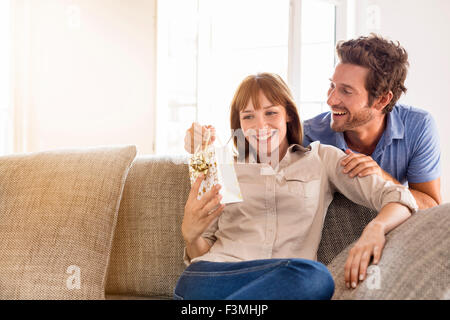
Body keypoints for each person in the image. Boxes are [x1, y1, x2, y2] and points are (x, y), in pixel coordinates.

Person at [175, 73, 418, 300]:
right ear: (238, 123)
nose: (260, 126)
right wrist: (190, 235)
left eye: (270, 113)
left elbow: (399, 197)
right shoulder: (226, 168)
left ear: (288, 114)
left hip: (289, 279)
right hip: (215, 276)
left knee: (315, 277)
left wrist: (375, 228)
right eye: (248, 116)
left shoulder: (321, 159)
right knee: (195, 281)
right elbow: (201, 253)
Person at [302, 34, 441, 209]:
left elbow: (431, 206)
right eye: (332, 86)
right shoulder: (308, 135)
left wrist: (382, 178)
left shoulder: (418, 126)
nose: (331, 100)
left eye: (346, 91)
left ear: (382, 100)